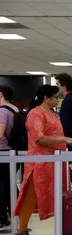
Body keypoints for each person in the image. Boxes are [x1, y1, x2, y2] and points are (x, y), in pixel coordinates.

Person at [13, 85, 72, 235]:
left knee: (60, 194)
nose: (58, 100)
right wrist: (65, 140)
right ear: (46, 98)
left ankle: (64, 229)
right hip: (39, 162)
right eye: (55, 97)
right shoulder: (35, 114)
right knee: (31, 194)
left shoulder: (52, 114)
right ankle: (21, 229)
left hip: (55, 162)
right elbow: (39, 138)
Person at [0, 85, 16, 227]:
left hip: (3, 151)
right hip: (14, 151)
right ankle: (15, 214)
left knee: (2, 185)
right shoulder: (15, 109)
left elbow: (0, 134)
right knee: (9, 184)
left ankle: (2, 217)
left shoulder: (2, 111)